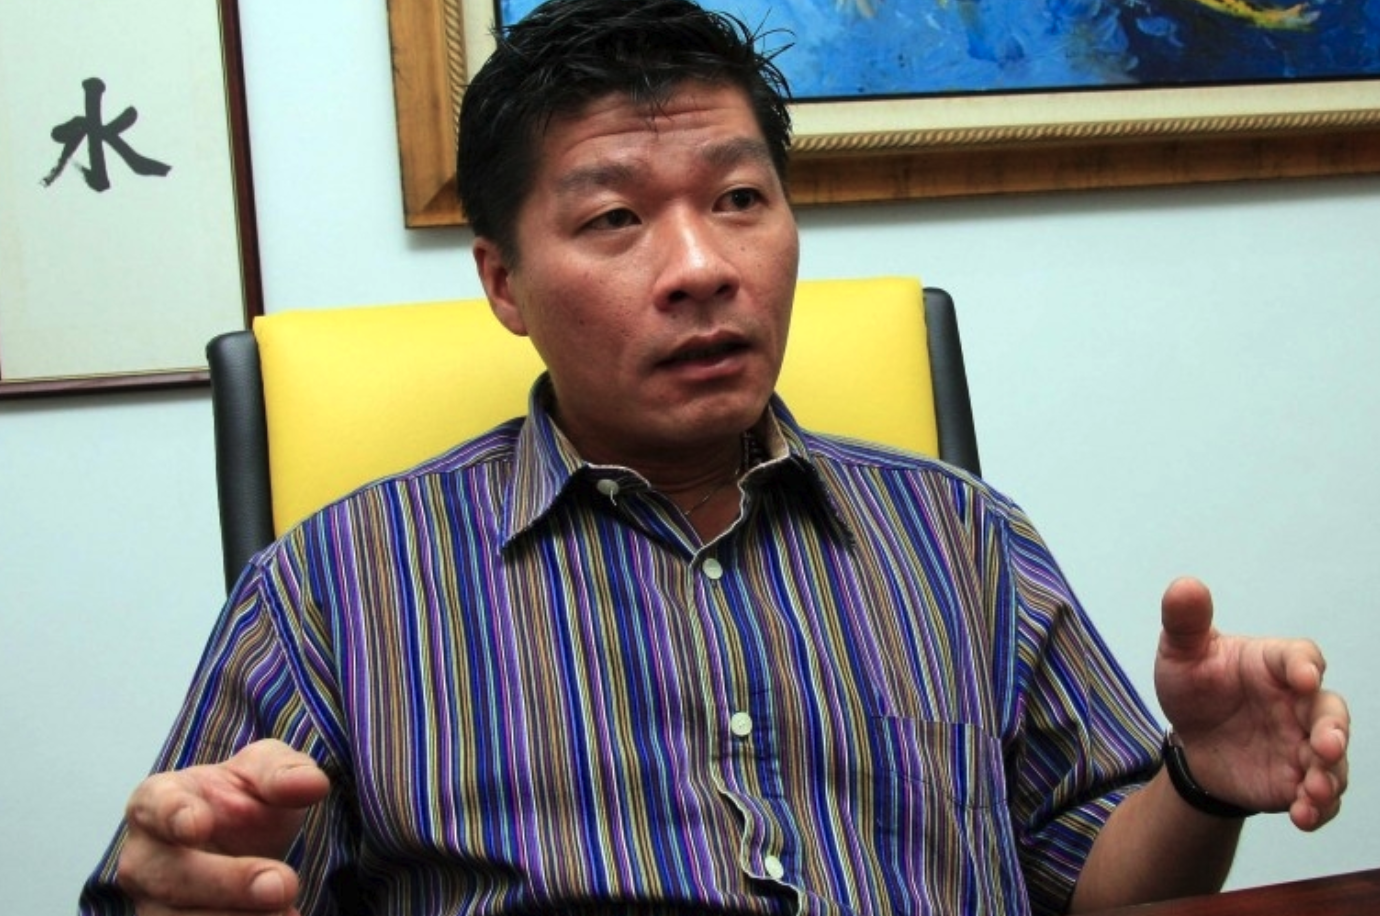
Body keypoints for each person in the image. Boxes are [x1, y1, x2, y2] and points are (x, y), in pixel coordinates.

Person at [79, 0, 1350, 913]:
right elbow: (203, 875)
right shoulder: (333, 585)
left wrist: (1202, 783)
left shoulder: (965, 539)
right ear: (504, 282)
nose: (701, 266)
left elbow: (1099, 884)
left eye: (740, 199)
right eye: (615, 217)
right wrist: (171, 889)